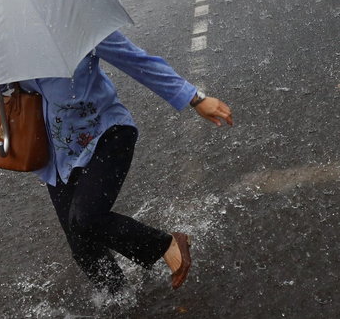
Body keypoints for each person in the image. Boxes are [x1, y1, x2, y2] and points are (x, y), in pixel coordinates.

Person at [18, 30, 233, 294]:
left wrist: (195, 98)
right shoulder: (6, 47)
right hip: (57, 156)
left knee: (86, 218)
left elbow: (136, 60)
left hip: (106, 133)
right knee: (81, 245)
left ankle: (166, 244)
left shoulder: (78, 24)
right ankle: (119, 300)